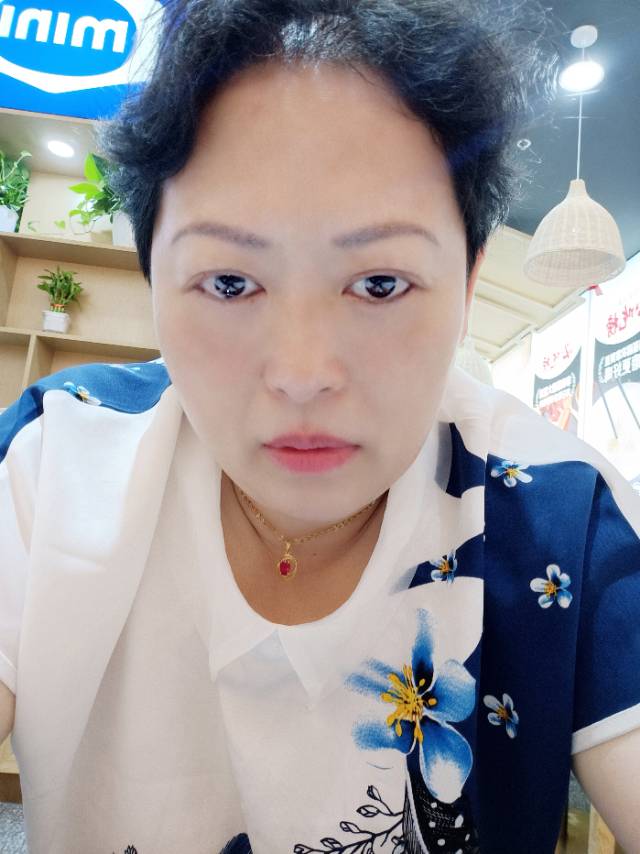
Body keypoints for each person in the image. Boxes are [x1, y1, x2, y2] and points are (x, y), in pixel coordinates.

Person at [1, 1, 639, 852]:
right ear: (153, 275)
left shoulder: (563, 518)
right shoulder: (54, 460)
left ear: (469, 278)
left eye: (379, 284)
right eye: (230, 283)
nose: (302, 374)